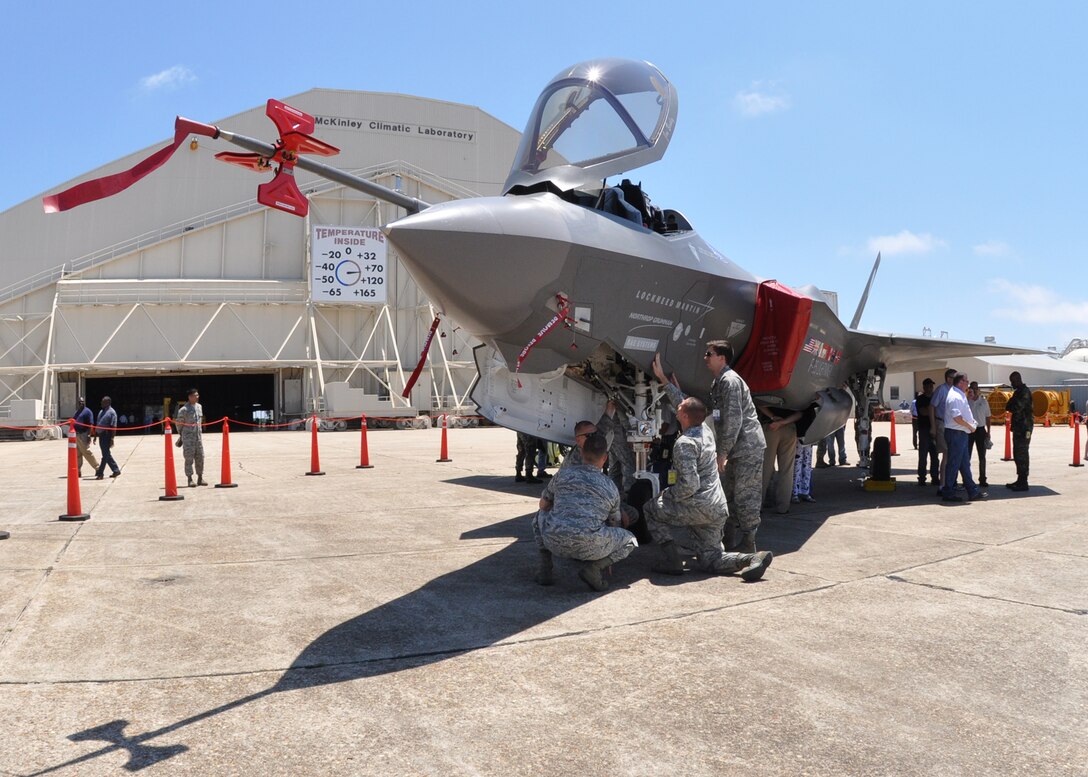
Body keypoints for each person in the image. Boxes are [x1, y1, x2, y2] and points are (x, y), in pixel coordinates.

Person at [652, 342, 766, 553]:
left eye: (709, 354)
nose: (705, 357)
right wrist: (668, 385)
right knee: (729, 494)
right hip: (734, 447)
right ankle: (728, 540)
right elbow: (700, 413)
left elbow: (732, 420)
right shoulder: (719, 382)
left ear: (721, 358)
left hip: (746, 448)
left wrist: (722, 452)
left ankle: (749, 542)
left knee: (745, 495)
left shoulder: (729, 382)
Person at [643, 397, 772, 580]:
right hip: (717, 508)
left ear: (685, 416)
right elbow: (694, 407)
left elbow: (689, 486)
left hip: (697, 506)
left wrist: (667, 495)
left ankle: (672, 560)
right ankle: (751, 559)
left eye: (679, 408)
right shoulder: (706, 431)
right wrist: (666, 382)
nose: (676, 408)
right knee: (710, 559)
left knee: (650, 508)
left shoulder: (685, 443)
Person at [533, 432, 638, 591]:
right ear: (605, 458)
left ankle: (545, 570)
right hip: (590, 547)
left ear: (581, 453)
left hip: (554, 542)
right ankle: (595, 568)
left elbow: (543, 505)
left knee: (539, 516)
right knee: (630, 540)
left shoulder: (562, 475)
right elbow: (614, 522)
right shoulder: (610, 486)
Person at [940, 373, 984, 502]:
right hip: (956, 433)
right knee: (954, 463)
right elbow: (957, 417)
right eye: (966, 380)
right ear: (960, 382)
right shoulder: (955, 397)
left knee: (964, 464)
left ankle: (972, 490)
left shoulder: (959, 395)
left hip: (960, 433)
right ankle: (948, 492)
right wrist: (970, 426)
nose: (968, 382)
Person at [758, 404, 803, 514]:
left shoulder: (768, 387)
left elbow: (759, 403)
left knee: (765, 469)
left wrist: (774, 418)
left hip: (771, 427)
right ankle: (783, 507)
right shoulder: (795, 391)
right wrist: (784, 422)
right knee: (787, 470)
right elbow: (800, 413)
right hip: (789, 427)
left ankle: (757, 506)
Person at [928, 368, 957, 492]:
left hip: (954, 426)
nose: (954, 379)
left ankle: (951, 482)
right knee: (946, 455)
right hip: (942, 424)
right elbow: (932, 407)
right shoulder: (941, 389)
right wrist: (933, 426)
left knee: (953, 455)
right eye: (952, 377)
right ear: (947, 378)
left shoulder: (957, 390)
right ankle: (943, 485)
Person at [1005, 371, 1033, 491]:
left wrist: (1011, 403)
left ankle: (1023, 482)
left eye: (1013, 381)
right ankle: (1020, 480)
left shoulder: (1024, 392)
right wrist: (1011, 403)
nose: (1012, 384)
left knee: (1022, 454)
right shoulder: (1018, 392)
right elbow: (1008, 406)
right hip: (1018, 428)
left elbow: (1014, 407)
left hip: (1024, 428)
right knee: (1017, 454)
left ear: (1018, 380)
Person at [176, 388, 207, 487]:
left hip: (198, 438)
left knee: (200, 457)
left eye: (198, 395)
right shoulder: (184, 410)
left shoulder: (199, 407)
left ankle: (200, 478)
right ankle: (189, 479)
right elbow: (179, 424)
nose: (197, 397)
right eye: (195, 395)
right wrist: (182, 435)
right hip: (188, 438)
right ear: (190, 397)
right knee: (189, 458)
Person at [915, 378, 939, 485]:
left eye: (931, 386)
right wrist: (933, 411)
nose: (930, 388)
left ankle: (935, 477)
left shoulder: (935, 397)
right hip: (924, 429)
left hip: (935, 429)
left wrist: (931, 411)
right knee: (923, 455)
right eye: (928, 386)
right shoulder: (920, 399)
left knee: (935, 456)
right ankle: (922, 477)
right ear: (924, 387)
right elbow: (923, 412)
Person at [967, 381, 992, 488]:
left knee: (982, 456)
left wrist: (988, 432)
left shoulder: (984, 401)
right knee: (966, 456)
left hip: (981, 430)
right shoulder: (967, 402)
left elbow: (988, 417)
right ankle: (967, 479)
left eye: (976, 388)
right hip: (969, 430)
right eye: (972, 389)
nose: (975, 390)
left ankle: (983, 478)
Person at [93, 396, 121, 479]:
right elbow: (98, 425)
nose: (101, 403)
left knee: (105, 455)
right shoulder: (101, 412)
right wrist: (95, 436)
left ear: (108, 402)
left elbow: (113, 426)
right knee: (106, 454)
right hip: (101, 435)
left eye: (103, 402)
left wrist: (112, 439)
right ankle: (116, 470)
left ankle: (100, 473)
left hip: (107, 435)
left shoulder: (112, 412)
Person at [72, 396, 99, 478]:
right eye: (80, 402)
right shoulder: (77, 412)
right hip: (76, 435)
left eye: (82, 402)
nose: (81, 403)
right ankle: (78, 471)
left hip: (83, 435)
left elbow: (91, 424)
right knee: (78, 454)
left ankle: (98, 468)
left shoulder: (87, 412)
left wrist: (89, 435)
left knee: (87, 452)